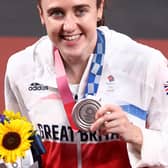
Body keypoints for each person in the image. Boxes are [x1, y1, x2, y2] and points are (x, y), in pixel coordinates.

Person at [3, 0, 168, 167]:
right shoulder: (21, 68)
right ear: (41, 15)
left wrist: (136, 135)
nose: (68, 26)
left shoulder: (146, 64)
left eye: (80, 11)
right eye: (56, 13)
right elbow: (20, 153)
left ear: (99, 9)